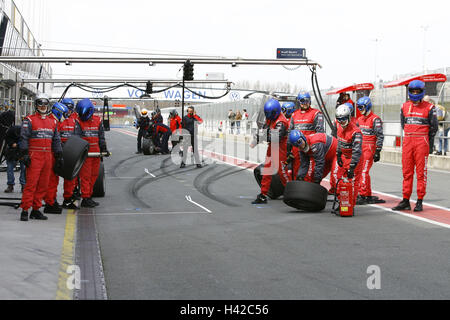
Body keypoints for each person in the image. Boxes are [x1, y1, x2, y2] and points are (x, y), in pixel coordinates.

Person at [392, 80, 438, 212]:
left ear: (422, 92)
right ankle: (405, 200)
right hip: (408, 141)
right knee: (406, 172)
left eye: (417, 91)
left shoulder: (429, 107)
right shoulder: (404, 106)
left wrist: (429, 143)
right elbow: (403, 124)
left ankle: (419, 201)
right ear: (409, 92)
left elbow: (433, 127)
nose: (415, 93)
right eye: (413, 91)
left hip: (421, 142)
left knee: (421, 173)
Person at [19, 94, 63, 221]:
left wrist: (59, 155)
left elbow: (56, 140)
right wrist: (24, 154)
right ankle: (25, 209)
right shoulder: (29, 120)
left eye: (45, 104)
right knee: (31, 184)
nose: (43, 106)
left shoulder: (53, 121)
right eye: (40, 104)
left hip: (48, 156)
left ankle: (36, 210)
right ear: (36, 105)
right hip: (34, 156)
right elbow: (24, 138)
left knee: (43, 185)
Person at [251, 98, 291, 204]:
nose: (269, 115)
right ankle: (263, 194)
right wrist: (260, 136)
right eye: (267, 113)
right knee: (267, 170)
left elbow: (274, 137)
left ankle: (292, 192)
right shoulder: (270, 118)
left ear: (276, 111)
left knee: (282, 172)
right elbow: (265, 130)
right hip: (272, 147)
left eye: (271, 113)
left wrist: (261, 136)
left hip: (281, 148)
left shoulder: (281, 122)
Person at [77, 98, 110, 208]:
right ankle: (85, 197)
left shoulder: (98, 120)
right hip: (85, 153)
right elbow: (76, 138)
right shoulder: (78, 122)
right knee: (85, 176)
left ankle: (89, 196)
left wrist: (103, 148)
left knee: (94, 175)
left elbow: (101, 136)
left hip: (95, 153)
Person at [288, 92, 325, 183]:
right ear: (299, 102)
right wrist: (288, 151)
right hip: (296, 150)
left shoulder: (316, 113)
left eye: (307, 100)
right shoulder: (294, 115)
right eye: (302, 101)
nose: (305, 103)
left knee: (310, 174)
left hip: (310, 149)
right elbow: (289, 132)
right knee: (296, 173)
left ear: (310, 101)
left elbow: (320, 134)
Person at [355, 96, 385, 204]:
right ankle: (366, 193)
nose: (360, 109)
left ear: (367, 106)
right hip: (360, 147)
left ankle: (363, 194)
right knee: (360, 171)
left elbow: (380, 136)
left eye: (361, 107)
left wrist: (378, 150)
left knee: (364, 171)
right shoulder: (359, 119)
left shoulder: (375, 119)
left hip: (369, 148)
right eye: (358, 107)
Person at [43, 102, 71, 214]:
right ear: (59, 113)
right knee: (50, 180)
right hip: (48, 154)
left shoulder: (53, 121)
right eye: (64, 114)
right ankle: (49, 203)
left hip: (52, 154)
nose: (66, 117)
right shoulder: (51, 122)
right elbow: (54, 140)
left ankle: (51, 201)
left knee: (53, 179)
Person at [335, 104, 364, 208]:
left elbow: (357, 151)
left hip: (354, 159)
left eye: (343, 119)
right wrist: (338, 155)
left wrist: (352, 167)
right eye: (339, 119)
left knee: (352, 183)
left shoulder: (356, 132)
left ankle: (350, 205)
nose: (341, 122)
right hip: (344, 157)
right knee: (339, 179)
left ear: (348, 117)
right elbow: (339, 142)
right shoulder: (339, 127)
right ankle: (342, 202)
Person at [3, 125, 26, 193]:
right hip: (12, 151)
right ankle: (11, 185)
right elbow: (7, 138)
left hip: (22, 150)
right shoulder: (11, 131)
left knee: (23, 168)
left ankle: (23, 184)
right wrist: (12, 143)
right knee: (10, 168)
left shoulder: (24, 131)